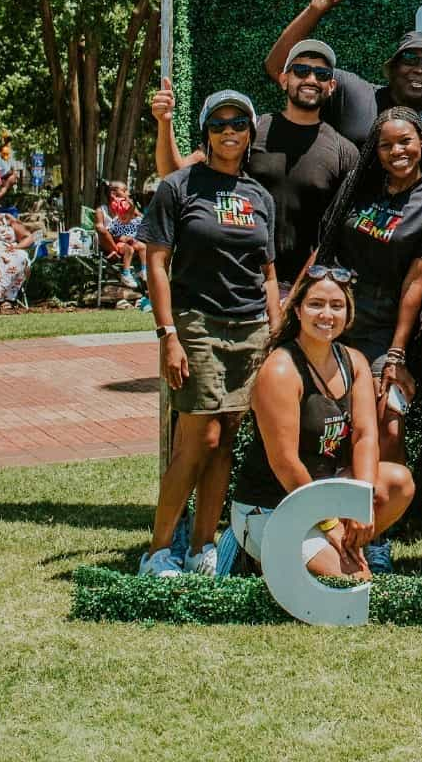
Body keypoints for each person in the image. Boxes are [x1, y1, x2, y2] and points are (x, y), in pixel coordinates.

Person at [138, 90, 278, 577]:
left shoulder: (259, 196)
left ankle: (202, 547)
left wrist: (274, 324)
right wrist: (168, 334)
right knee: (197, 437)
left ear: (250, 131)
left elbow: (269, 270)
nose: (229, 131)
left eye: (238, 122)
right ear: (206, 132)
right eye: (218, 124)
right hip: (197, 323)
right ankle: (158, 551)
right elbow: (156, 263)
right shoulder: (178, 188)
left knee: (227, 438)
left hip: (251, 328)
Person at [312, 105, 422, 571]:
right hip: (338, 318)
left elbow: (419, 280)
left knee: (388, 425)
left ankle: (374, 535)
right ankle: (321, 524)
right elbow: (324, 248)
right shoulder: (359, 190)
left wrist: (397, 350)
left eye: (406, 142)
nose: (398, 151)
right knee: (333, 426)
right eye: (387, 144)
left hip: (390, 328)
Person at [231, 267, 415, 579]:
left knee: (397, 481)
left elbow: (366, 437)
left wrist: (362, 505)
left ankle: (333, 549)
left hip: (325, 493)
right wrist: (329, 524)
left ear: (349, 313)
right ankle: (256, 554)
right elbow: (286, 464)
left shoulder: (353, 361)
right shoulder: (281, 370)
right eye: (316, 304)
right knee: (356, 582)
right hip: (273, 505)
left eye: (336, 306)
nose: (326, 314)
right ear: (298, 310)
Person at [153, 40, 360, 292]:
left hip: (307, 289)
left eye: (322, 74)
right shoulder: (250, 131)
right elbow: (174, 175)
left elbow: (342, 233)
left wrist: (300, 291)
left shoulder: (344, 152)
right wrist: (165, 124)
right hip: (242, 284)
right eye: (301, 71)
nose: (311, 79)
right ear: (284, 79)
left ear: (331, 86)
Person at [263, 0, 422, 144]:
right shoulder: (354, 94)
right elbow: (278, 67)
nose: (419, 69)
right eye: (410, 59)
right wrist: (314, 11)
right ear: (393, 68)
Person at [94, 179, 147, 290]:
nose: (128, 193)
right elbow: (100, 228)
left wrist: (132, 209)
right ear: (113, 194)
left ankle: (144, 271)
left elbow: (142, 218)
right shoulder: (101, 210)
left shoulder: (128, 208)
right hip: (111, 243)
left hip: (126, 241)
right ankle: (125, 272)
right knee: (102, 230)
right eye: (125, 190)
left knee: (143, 246)